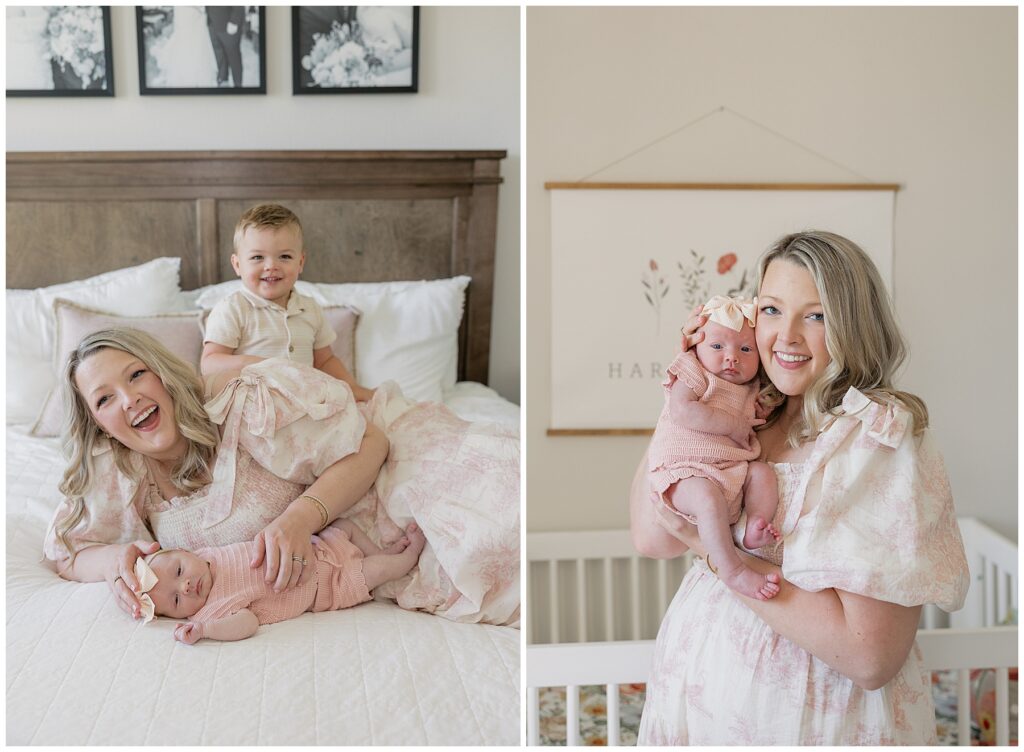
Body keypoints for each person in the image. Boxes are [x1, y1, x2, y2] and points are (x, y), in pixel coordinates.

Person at [632, 231, 969, 744]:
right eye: (771, 309)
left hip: (815, 723)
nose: (785, 336)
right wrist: (692, 383)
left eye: (816, 316)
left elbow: (869, 656)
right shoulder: (751, 413)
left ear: (852, 326)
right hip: (701, 706)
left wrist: (715, 551)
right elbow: (652, 538)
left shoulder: (875, 435)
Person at [43, 328, 389, 618]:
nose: (129, 399)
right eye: (104, 400)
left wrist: (302, 517)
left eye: (136, 375)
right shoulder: (119, 471)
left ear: (162, 373)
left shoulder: (240, 401)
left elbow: (370, 442)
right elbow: (66, 553)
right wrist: (113, 560)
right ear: (99, 426)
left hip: (371, 524)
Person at [648, 294, 780, 601]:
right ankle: (733, 571)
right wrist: (733, 425)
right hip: (685, 472)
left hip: (731, 469)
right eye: (718, 347)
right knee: (707, 499)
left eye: (745, 349)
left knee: (762, 474)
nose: (731, 357)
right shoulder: (694, 372)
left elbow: (755, 417)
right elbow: (683, 411)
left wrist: (758, 412)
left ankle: (756, 527)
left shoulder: (750, 388)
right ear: (695, 348)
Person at [136, 519, 426, 644]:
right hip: (326, 587)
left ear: (187, 552)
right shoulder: (209, 611)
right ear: (181, 615)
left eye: (178, 571)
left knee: (345, 526)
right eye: (176, 600)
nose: (185, 586)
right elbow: (248, 623)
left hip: (315, 547)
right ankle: (406, 559)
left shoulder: (206, 553)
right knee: (370, 572)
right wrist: (205, 630)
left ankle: (382, 553)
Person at [201, 204, 374, 402]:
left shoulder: (310, 309)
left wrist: (351, 388)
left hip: (305, 402)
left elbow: (325, 360)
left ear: (300, 262)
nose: (271, 266)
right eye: (257, 257)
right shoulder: (233, 308)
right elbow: (209, 363)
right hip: (257, 407)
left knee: (367, 430)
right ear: (238, 264)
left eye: (284, 256)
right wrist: (256, 364)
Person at [152, 6, 218, 88]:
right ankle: (187, 76)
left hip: (191, 15)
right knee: (187, 41)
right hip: (186, 14)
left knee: (192, 42)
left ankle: (190, 75)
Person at [205, 6, 244, 87]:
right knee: (219, 54)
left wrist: (234, 21)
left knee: (234, 58)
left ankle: (238, 86)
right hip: (212, 23)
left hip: (228, 25)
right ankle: (223, 78)